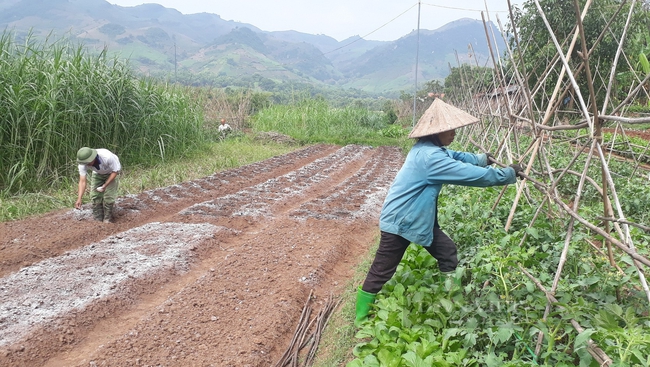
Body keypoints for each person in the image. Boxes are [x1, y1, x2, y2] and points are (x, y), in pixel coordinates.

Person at [355, 99, 523, 327]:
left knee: (446, 251)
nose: (453, 133)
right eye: (450, 130)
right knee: (382, 269)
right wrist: (506, 175)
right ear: (437, 132)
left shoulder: (429, 149)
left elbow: (457, 157)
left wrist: (482, 159)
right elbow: (471, 176)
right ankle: (361, 318)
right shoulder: (430, 158)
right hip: (403, 221)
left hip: (417, 218)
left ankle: (451, 303)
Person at [75, 147, 122, 223]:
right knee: (95, 196)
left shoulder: (107, 157)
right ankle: (98, 220)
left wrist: (105, 185)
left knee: (109, 196)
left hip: (112, 172)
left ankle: (108, 220)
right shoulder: (82, 164)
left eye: (88, 162)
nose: (87, 164)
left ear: (93, 157)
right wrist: (79, 198)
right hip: (97, 173)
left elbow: (115, 171)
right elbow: (82, 181)